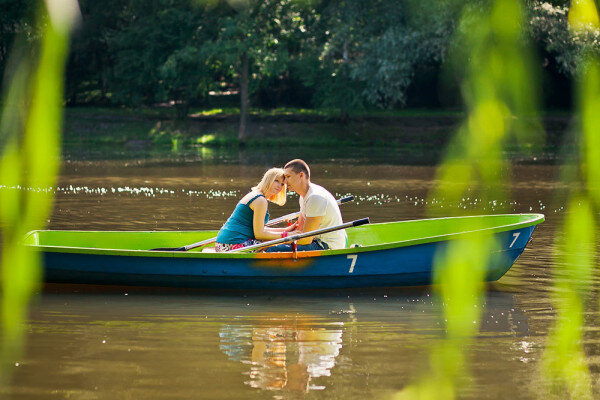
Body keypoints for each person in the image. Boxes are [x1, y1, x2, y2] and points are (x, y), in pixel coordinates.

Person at [266, 159, 347, 252]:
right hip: (315, 241)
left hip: (326, 246)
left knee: (272, 249)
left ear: (301, 175)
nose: (285, 182)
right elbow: (299, 229)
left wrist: (272, 243)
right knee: (269, 246)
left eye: (288, 177)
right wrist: (267, 236)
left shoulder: (315, 197)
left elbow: (306, 239)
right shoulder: (304, 196)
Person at [215, 168, 293, 252]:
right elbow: (259, 234)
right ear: (268, 180)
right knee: (274, 243)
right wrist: (286, 235)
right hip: (232, 245)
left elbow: (261, 229)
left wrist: (286, 230)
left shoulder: (256, 194)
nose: (279, 186)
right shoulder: (260, 200)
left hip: (222, 244)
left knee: (272, 240)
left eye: (282, 184)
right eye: (276, 181)